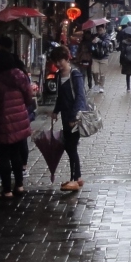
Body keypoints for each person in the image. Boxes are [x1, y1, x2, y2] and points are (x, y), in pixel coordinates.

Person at [0, 41, 35, 199]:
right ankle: (19, 185)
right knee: (16, 154)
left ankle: (7, 190)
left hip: (0, 123)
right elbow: (29, 97)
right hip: (19, 121)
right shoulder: (20, 77)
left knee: (3, 157)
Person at [49, 46, 87, 193]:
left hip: (74, 118)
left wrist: (73, 117)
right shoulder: (59, 75)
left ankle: (75, 178)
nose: (58, 64)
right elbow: (60, 96)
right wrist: (55, 111)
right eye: (56, 61)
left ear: (67, 59)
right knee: (70, 147)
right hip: (65, 117)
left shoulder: (75, 75)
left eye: (60, 60)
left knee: (71, 147)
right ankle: (77, 178)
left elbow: (80, 97)